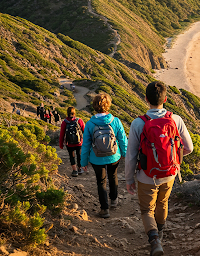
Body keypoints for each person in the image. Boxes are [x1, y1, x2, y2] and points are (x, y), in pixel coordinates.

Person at [125, 81, 193, 256]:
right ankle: (160, 232)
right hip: (170, 174)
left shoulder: (138, 124)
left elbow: (131, 156)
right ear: (166, 98)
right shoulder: (175, 119)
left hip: (146, 175)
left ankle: (154, 240)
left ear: (146, 99)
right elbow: (189, 148)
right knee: (162, 203)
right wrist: (174, 160)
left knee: (147, 209)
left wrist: (129, 179)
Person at [80, 93, 127, 219]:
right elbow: (122, 139)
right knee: (113, 176)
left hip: (96, 158)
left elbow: (85, 145)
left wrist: (83, 162)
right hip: (113, 156)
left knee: (101, 181)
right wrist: (124, 154)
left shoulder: (90, 124)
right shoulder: (115, 121)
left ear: (95, 106)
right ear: (108, 105)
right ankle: (114, 200)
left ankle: (104, 209)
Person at [59, 106, 85, 177]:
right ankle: (80, 169)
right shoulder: (79, 120)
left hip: (69, 143)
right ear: (74, 112)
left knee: (72, 156)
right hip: (79, 142)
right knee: (79, 155)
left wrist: (61, 144)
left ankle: (74, 170)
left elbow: (62, 134)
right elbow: (84, 131)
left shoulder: (65, 122)